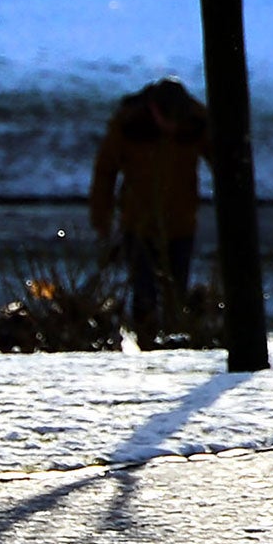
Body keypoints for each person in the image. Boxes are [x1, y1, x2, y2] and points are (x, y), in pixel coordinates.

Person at [89, 77, 213, 345]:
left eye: (176, 121)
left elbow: (221, 160)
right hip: (138, 225)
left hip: (181, 224)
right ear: (154, 110)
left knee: (175, 293)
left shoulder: (197, 121)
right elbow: (105, 172)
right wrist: (102, 220)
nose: (172, 127)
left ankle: (174, 344)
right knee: (143, 295)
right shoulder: (129, 123)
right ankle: (146, 344)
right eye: (167, 119)